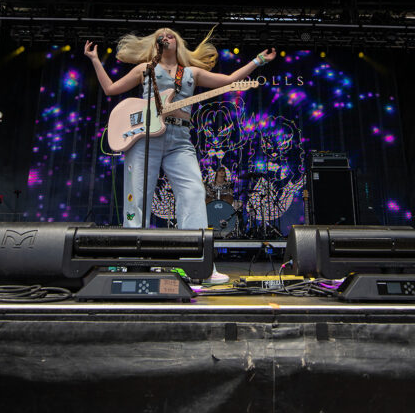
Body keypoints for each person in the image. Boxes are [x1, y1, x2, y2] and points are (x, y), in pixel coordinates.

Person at [85, 28, 276, 284]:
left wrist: (258, 61)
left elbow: (229, 80)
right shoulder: (145, 69)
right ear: (156, 43)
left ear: (178, 42)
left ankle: (198, 266)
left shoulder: (191, 73)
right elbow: (110, 89)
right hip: (146, 137)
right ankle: (133, 262)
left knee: (194, 193)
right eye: (161, 34)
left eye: (170, 33)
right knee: (138, 197)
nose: (166, 35)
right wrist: (95, 59)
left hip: (180, 139)